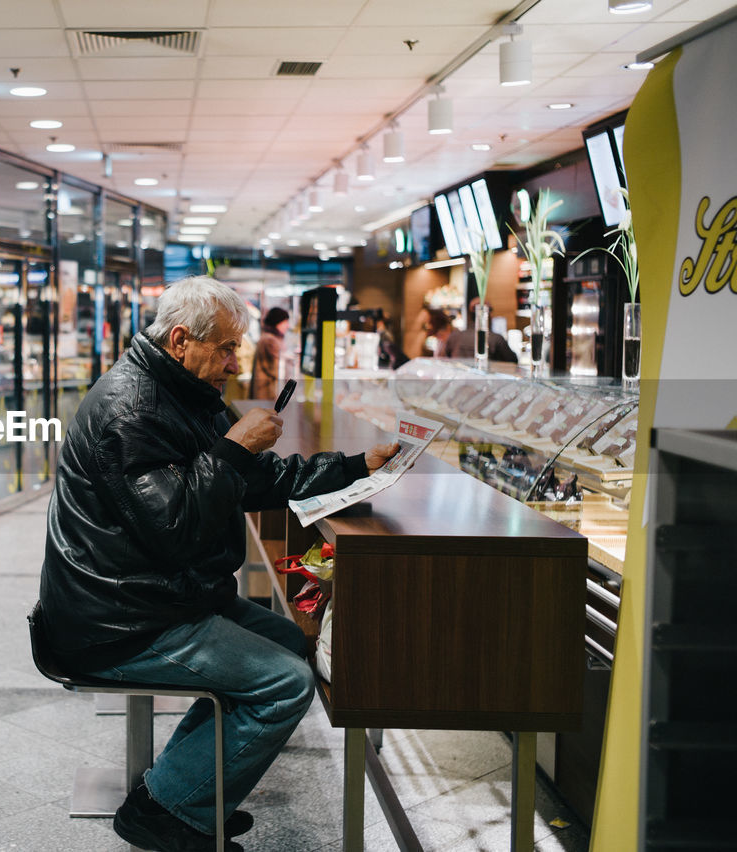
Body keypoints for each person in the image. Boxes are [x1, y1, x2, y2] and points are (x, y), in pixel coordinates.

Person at [37, 276, 398, 852]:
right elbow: (174, 526)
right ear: (181, 339)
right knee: (284, 682)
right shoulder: (131, 409)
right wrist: (232, 449)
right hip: (118, 618)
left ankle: (183, 789)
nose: (235, 362)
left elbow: (253, 482)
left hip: (158, 594)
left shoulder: (178, 391)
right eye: (227, 347)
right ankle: (165, 812)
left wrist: (355, 466)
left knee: (284, 640)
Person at [427, 303, 518, 363]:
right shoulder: (496, 339)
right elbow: (513, 362)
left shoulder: (455, 336)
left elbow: (447, 362)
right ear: (487, 315)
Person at [248, 306, 289, 400]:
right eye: (285, 321)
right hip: (267, 392)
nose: (287, 325)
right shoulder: (270, 341)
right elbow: (276, 369)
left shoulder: (267, 338)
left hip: (264, 391)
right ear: (277, 322)